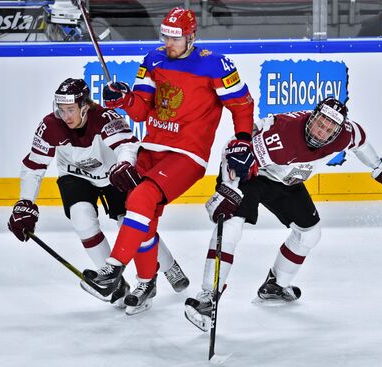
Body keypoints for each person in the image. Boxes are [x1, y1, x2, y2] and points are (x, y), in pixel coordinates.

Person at [79, 7, 255, 314]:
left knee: (143, 195)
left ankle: (112, 268)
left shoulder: (215, 64)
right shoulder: (153, 59)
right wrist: (123, 99)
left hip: (187, 155)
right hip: (152, 147)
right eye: (166, 36)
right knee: (141, 211)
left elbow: (242, 103)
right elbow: (140, 110)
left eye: (176, 38)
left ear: (191, 36)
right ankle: (146, 282)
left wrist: (242, 139)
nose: (169, 43)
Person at [184, 97, 382, 331]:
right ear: (312, 117)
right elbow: (237, 151)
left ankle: (275, 285)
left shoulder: (347, 134)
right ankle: (207, 297)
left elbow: (361, 143)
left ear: (337, 132)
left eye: (329, 129)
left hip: (284, 180)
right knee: (231, 226)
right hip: (252, 173)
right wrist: (228, 188)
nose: (321, 131)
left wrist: (380, 168)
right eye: (319, 122)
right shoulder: (281, 136)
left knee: (310, 234)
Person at [7, 78, 190, 314]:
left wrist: (124, 165)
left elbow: (127, 145)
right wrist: (25, 202)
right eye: (61, 110)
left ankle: (168, 265)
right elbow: (34, 166)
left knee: (133, 224)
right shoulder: (50, 126)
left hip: (113, 175)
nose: (66, 116)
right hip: (76, 176)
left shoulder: (105, 118)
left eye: (71, 109)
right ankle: (112, 281)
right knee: (80, 218)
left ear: (85, 106)